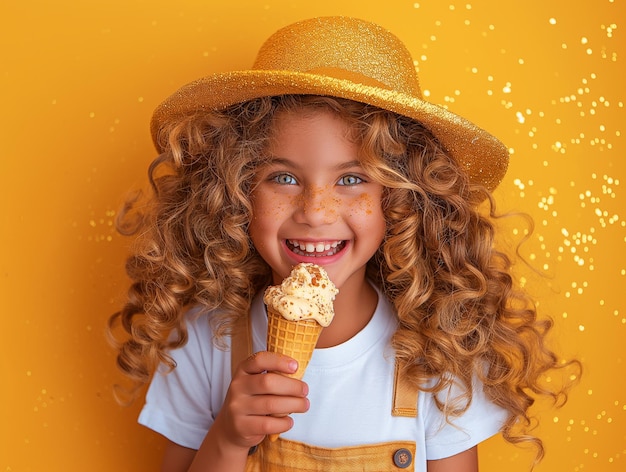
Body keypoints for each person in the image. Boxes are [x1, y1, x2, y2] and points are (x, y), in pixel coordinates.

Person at [109, 16, 578, 472]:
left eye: (351, 179)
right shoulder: (204, 341)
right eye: (284, 177)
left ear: (397, 201)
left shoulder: (438, 357)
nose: (316, 211)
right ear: (237, 191)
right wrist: (228, 439)